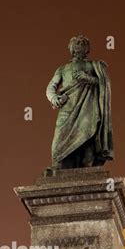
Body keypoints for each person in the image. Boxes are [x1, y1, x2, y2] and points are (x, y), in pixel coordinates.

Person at [46, 35, 113, 169]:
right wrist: (54, 98)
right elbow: (51, 86)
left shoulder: (94, 66)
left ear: (87, 49)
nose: (79, 48)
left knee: (88, 133)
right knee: (59, 138)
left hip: (88, 107)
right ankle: (57, 164)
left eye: (83, 45)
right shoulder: (63, 69)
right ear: (72, 49)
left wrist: (87, 78)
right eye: (76, 45)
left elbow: (103, 85)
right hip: (67, 107)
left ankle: (87, 165)